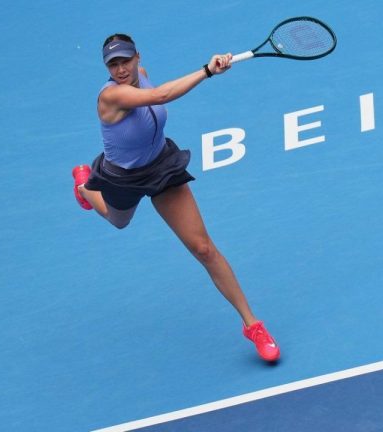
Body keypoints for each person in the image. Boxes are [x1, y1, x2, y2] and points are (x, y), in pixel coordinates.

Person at [72, 34, 279, 362]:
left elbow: (158, 88)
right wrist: (208, 71)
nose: (121, 68)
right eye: (113, 64)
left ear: (138, 57)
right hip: (122, 176)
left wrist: (213, 66)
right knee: (118, 220)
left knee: (204, 249)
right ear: (106, 68)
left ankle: (253, 325)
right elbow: (162, 94)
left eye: (126, 60)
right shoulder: (112, 95)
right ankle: (85, 187)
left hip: (160, 167)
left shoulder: (141, 73)